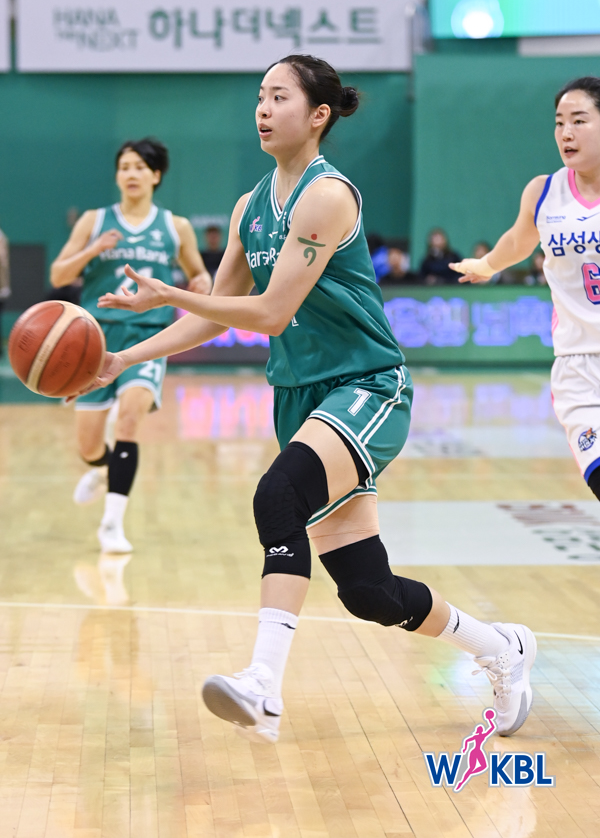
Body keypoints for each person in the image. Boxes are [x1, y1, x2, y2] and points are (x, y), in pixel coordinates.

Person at [80, 55, 535, 742]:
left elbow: (268, 312)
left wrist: (170, 291)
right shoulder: (250, 206)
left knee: (277, 495)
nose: (263, 110)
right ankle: (501, 648)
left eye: (279, 97)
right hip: (298, 395)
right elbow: (216, 315)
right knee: (368, 591)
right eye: (259, 97)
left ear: (319, 115)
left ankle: (263, 685)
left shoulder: (327, 196)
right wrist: (122, 357)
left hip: (366, 385)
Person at [50, 138, 211, 553]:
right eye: (124, 167)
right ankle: (101, 468)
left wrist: (201, 284)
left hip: (147, 336)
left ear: (156, 175)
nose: (131, 174)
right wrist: (94, 249)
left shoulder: (175, 227)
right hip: (95, 339)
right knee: (88, 446)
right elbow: (58, 275)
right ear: (117, 176)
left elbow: (199, 275)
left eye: (140, 166)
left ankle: (111, 524)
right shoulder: (94, 220)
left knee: (128, 421)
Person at [451, 75, 600, 505]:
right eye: (559, 122)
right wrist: (486, 265)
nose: (566, 132)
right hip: (579, 370)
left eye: (579, 120)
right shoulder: (545, 191)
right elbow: (519, 241)